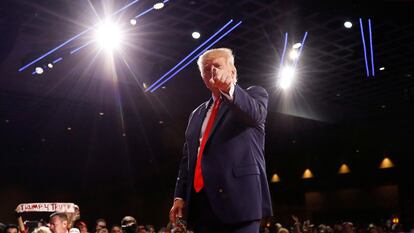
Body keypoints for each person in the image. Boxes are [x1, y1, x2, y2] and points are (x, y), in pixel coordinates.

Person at [169, 48, 273, 233]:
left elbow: (255, 115)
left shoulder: (254, 95)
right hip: (201, 206)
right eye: (206, 70)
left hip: (240, 202)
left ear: (232, 71)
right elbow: (188, 159)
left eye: (217, 66)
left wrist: (227, 89)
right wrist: (179, 196)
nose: (212, 72)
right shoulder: (196, 114)